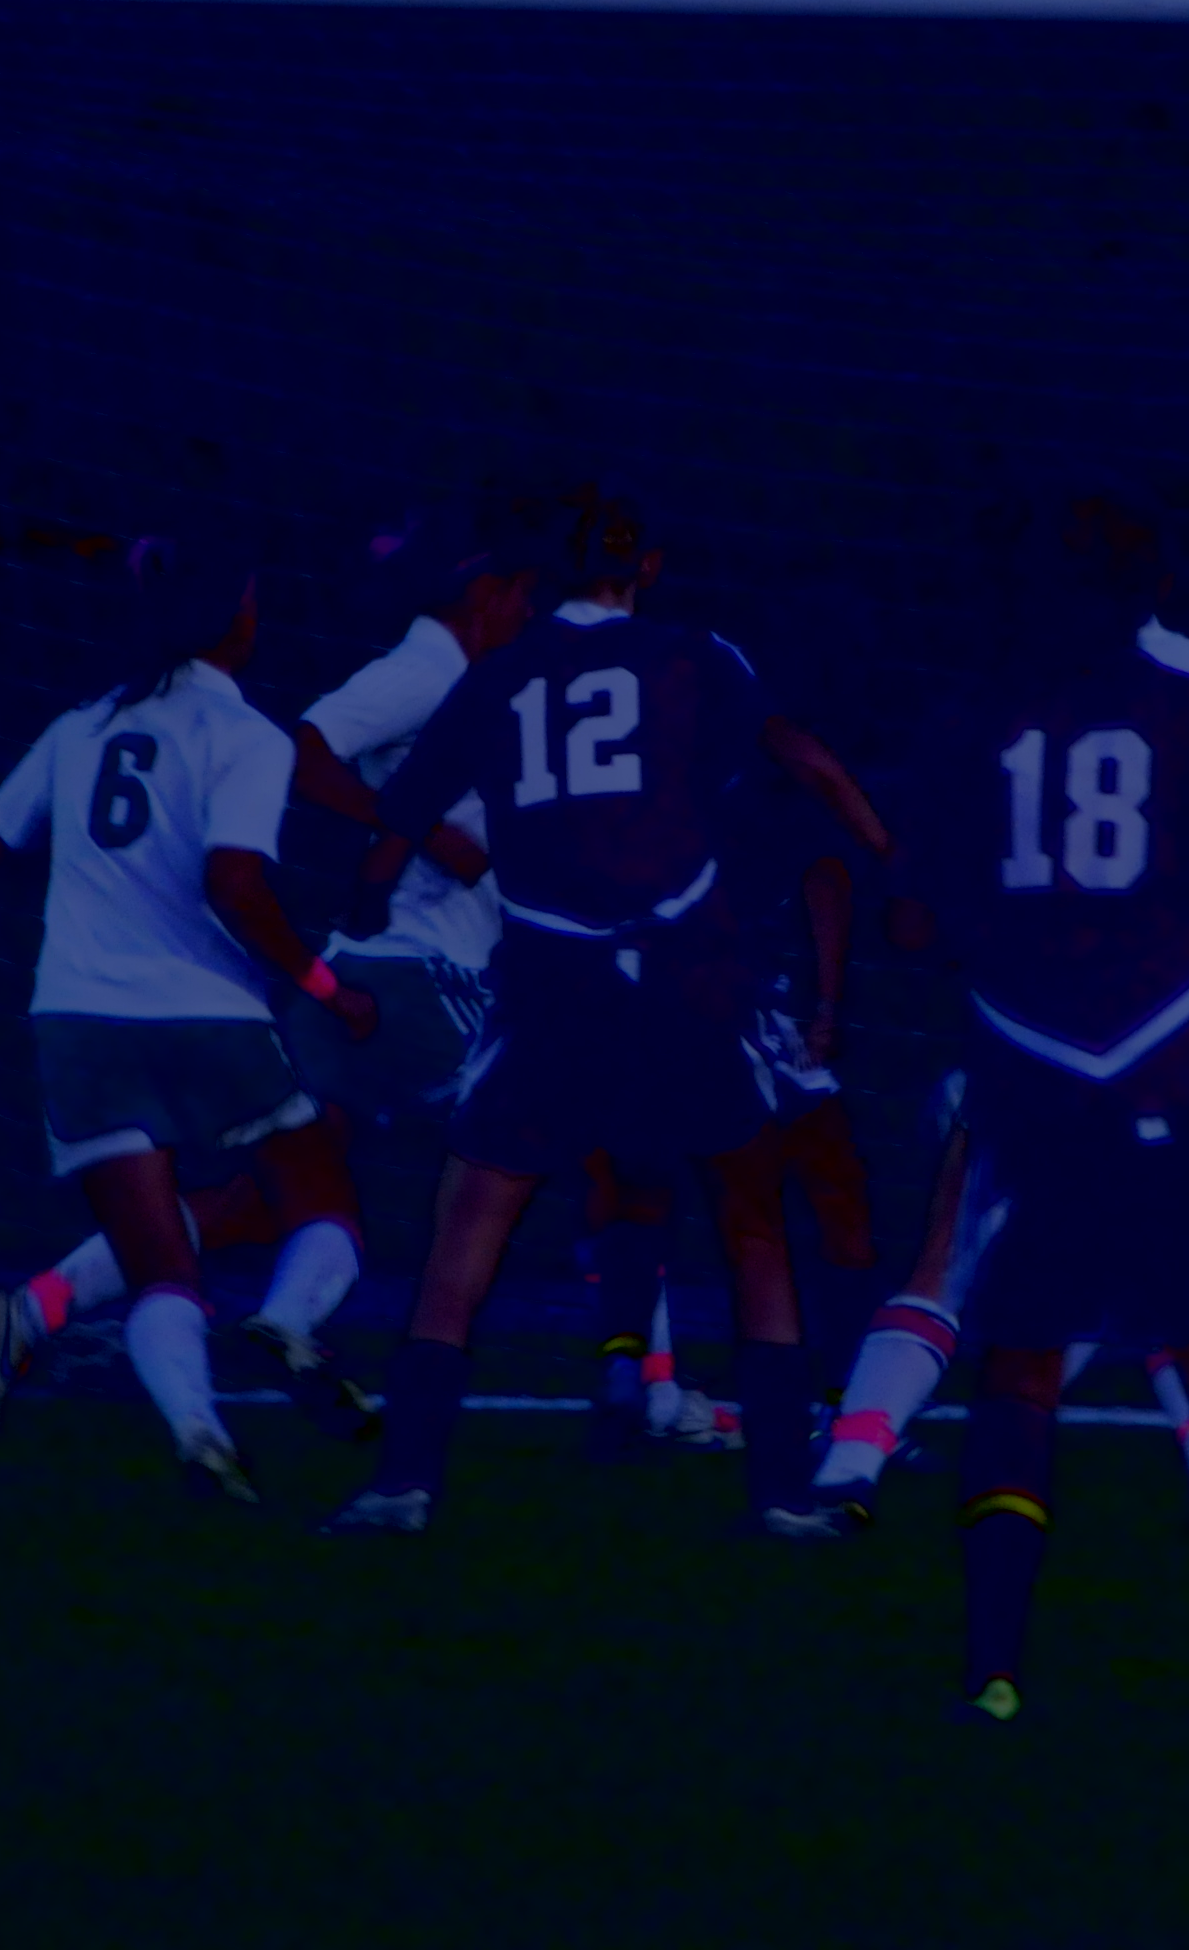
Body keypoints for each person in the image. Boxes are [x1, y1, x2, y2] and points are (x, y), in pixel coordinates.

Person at [885, 495, 1189, 1728]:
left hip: (1037, 1080)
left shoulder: (965, 719)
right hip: (1179, 1070)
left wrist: (1000, 947)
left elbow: (911, 916)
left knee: (1019, 1368)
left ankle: (992, 1672)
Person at [319, 483, 881, 1535]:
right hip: (683, 970)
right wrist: (892, 855)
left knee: (469, 1223)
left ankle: (403, 1482)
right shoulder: (695, 654)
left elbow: (400, 815)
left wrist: (366, 899)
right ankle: (780, 1495)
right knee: (752, 1224)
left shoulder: (498, 675)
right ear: (647, 568)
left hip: (552, 979)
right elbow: (792, 755)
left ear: (542, 575)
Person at [0, 508, 526, 1440]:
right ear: (482, 591)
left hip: (233, 992)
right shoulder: (426, 670)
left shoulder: (90, 723)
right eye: (517, 585)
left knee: (271, 1195)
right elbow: (304, 757)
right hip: (410, 979)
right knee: (586, 1136)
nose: (529, 601)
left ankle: (37, 1310)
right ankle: (649, 1388)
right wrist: (419, 832)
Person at [0, 533, 382, 1502]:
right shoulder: (247, 736)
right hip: (204, 1017)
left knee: (164, 1265)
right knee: (320, 1200)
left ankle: (197, 1431)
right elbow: (234, 882)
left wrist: (85, 900)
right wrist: (326, 989)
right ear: (236, 620)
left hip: (77, 1016)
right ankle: (287, 1324)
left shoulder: (80, 726)